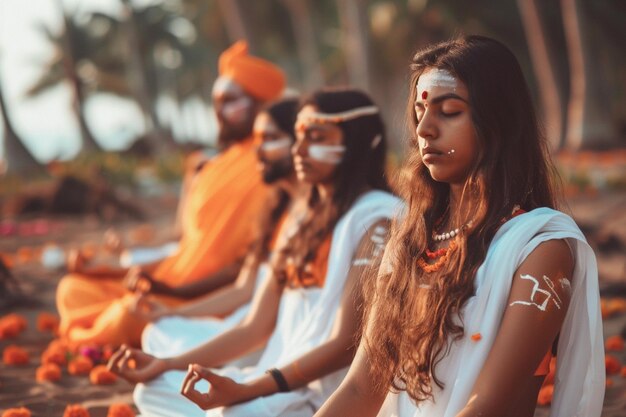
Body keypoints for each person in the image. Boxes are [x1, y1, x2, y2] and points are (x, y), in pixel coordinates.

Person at [315, 36, 604, 417]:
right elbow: (358, 390)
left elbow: (485, 406)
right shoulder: (410, 237)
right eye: (420, 112)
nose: (425, 130)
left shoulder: (541, 247)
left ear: (499, 122)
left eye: (449, 111)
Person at [108, 88, 403, 417]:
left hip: (321, 395)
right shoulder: (301, 219)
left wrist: (248, 389)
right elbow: (254, 327)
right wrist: (165, 363)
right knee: (153, 390)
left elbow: (343, 346)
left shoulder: (379, 219)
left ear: (360, 144)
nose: (299, 150)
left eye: (316, 137)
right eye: (299, 137)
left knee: (230, 414)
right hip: (271, 379)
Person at [56, 40, 286, 347]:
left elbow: (243, 271)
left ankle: (99, 334)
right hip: (170, 276)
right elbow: (183, 237)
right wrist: (111, 266)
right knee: (73, 287)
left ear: (260, 106)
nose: (219, 110)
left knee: (128, 314)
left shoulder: (272, 169)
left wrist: (169, 291)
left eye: (230, 100)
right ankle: (103, 328)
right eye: (216, 100)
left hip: (209, 296)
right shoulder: (206, 166)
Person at [136, 97, 304, 360]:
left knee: (160, 368)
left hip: (274, 339)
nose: (258, 151)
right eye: (257, 140)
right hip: (245, 324)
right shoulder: (275, 211)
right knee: (159, 330)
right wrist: (173, 311)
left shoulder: (315, 215)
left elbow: (258, 325)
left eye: (271, 139)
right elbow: (243, 289)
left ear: (301, 146)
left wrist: (169, 363)